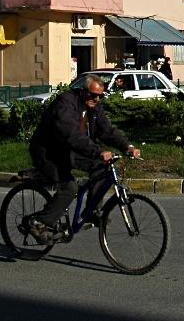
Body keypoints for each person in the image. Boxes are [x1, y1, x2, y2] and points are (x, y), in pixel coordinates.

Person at [26, 74, 140, 244]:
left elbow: (106, 130)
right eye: (93, 94)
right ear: (82, 91)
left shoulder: (94, 107)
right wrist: (97, 150)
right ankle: (38, 222)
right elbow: (70, 134)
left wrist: (127, 146)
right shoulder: (66, 103)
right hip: (49, 151)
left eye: (100, 95)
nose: (96, 98)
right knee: (69, 188)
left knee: (102, 166)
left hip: (72, 150)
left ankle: (92, 211)